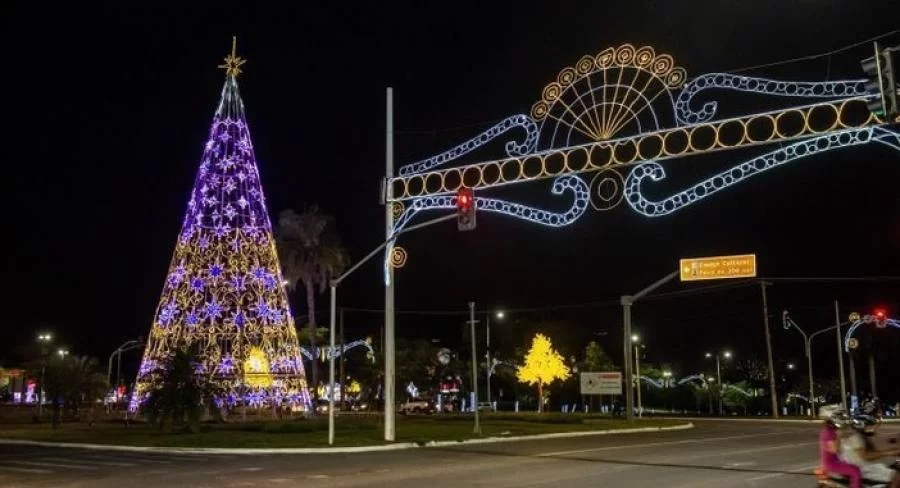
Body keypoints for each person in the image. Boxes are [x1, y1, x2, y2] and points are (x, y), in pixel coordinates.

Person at [842, 414, 900, 488]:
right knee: (897, 476)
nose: (873, 428)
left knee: (892, 464)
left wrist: (889, 452)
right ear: (862, 426)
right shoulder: (856, 437)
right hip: (864, 468)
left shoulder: (861, 436)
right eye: (870, 425)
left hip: (865, 465)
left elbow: (873, 453)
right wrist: (889, 453)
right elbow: (866, 456)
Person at [819, 404, 862, 488]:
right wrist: (839, 436)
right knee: (855, 472)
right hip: (831, 464)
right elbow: (834, 450)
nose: (841, 418)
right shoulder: (828, 432)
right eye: (839, 416)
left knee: (855, 466)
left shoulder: (830, 430)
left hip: (836, 461)